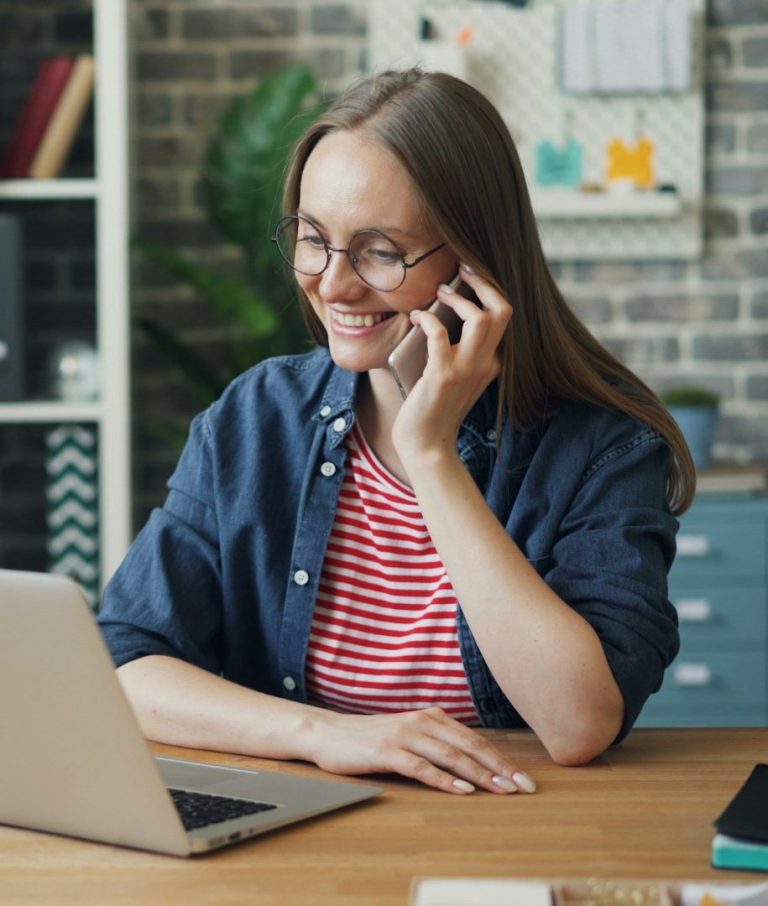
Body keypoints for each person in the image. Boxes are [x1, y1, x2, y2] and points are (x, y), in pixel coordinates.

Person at [98, 68, 694, 797]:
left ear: (475, 262)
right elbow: (127, 664)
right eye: (314, 238)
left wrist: (432, 453)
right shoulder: (255, 418)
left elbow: (577, 725)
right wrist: (324, 734)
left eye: (381, 251)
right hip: (310, 830)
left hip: (517, 830)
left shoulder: (603, 444)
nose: (334, 284)